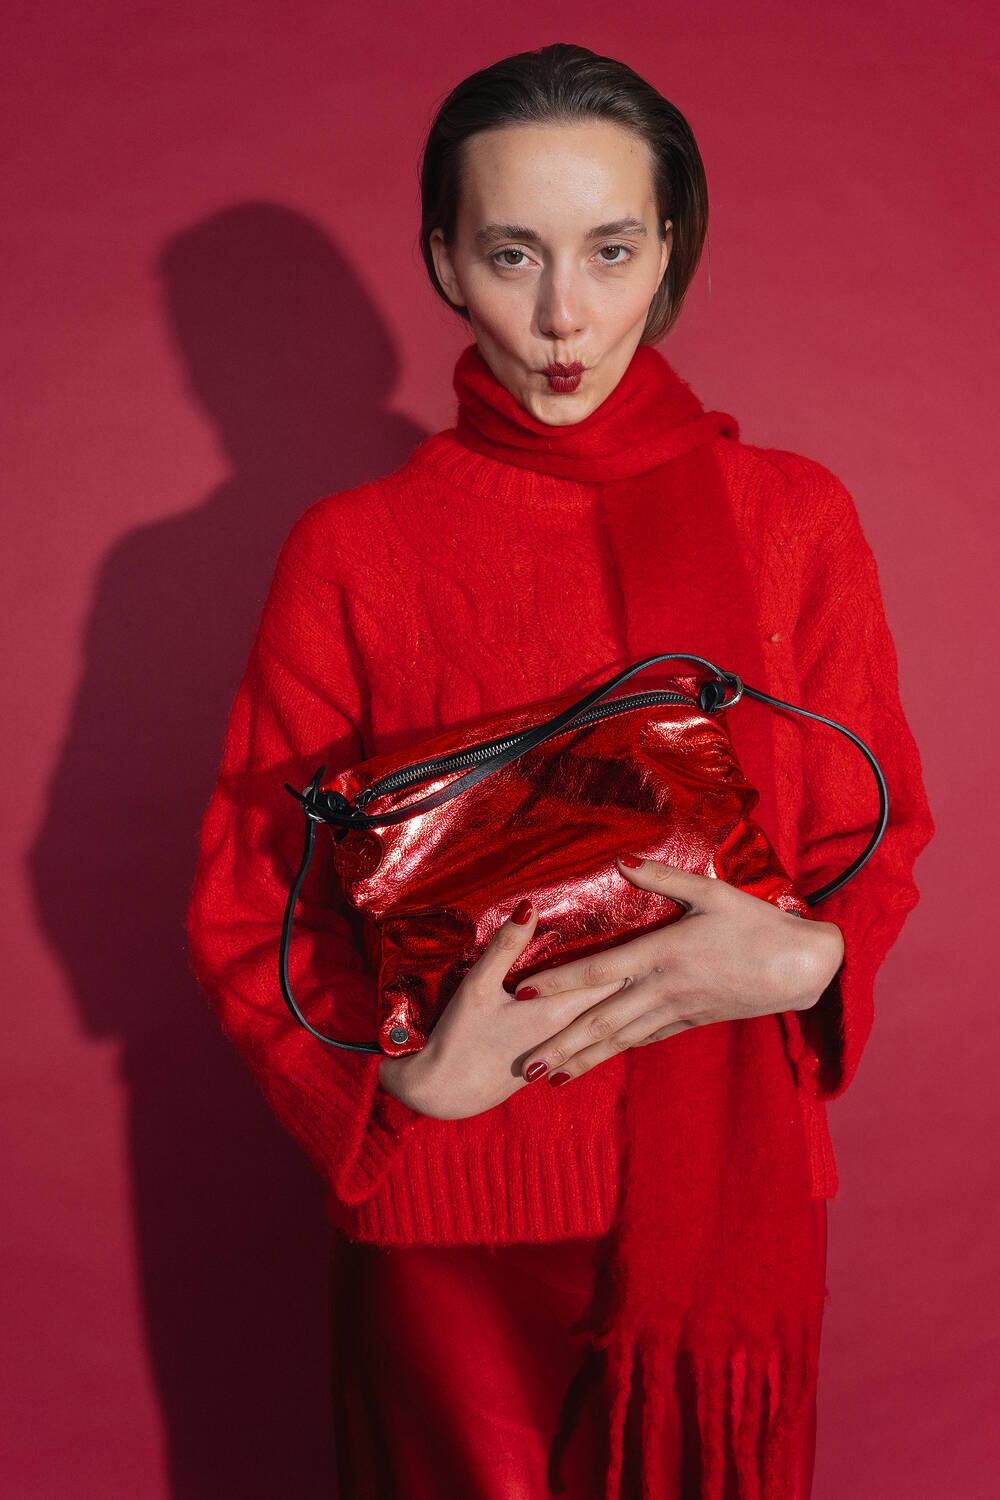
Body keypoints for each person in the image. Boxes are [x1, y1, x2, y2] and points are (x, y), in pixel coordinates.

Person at [185, 42, 935, 1500]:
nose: (562, 314)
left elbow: (873, 833)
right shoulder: (354, 549)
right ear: (445, 262)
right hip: (451, 1228)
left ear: (671, 252)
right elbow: (245, 899)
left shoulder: (792, 517)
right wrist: (397, 1081)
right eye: (512, 252)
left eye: (610, 250)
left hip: (729, 1211)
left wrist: (808, 965)